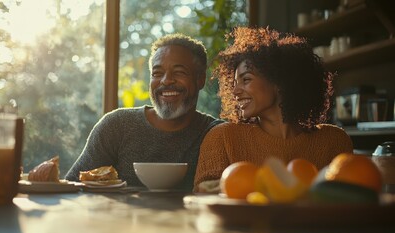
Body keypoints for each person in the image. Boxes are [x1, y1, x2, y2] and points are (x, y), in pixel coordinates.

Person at [193, 27, 353, 192]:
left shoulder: (334, 141)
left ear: (280, 81)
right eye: (234, 84)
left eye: (246, 79)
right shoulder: (222, 137)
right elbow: (202, 195)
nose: (235, 91)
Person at [65, 33, 223, 191]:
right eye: (157, 73)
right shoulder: (117, 125)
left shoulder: (215, 134)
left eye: (179, 72)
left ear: (200, 79)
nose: (166, 80)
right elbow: (73, 187)